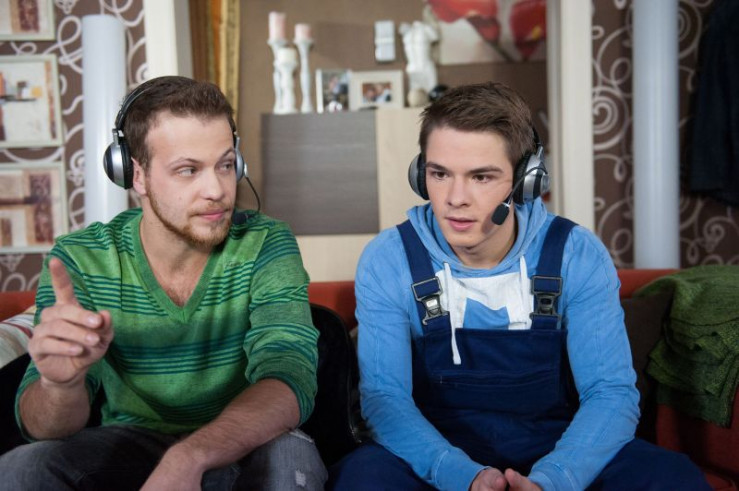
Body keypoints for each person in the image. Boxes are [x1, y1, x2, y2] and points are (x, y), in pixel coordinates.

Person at [329, 82, 709, 490]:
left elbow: (609, 392)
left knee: (672, 477)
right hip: (434, 455)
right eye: (440, 173)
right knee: (362, 478)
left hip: (559, 448)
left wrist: (554, 479)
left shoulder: (577, 254)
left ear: (526, 179)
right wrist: (464, 476)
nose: (455, 198)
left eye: (481, 176)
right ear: (420, 175)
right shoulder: (389, 258)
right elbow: (385, 400)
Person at [0, 76, 327, 490]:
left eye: (226, 165)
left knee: (292, 458)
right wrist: (60, 384)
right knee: (23, 468)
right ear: (135, 174)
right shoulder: (81, 260)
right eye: (188, 170)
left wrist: (190, 456)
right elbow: (43, 428)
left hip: (243, 441)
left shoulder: (266, 243)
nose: (217, 190)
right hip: (129, 444)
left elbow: (289, 377)